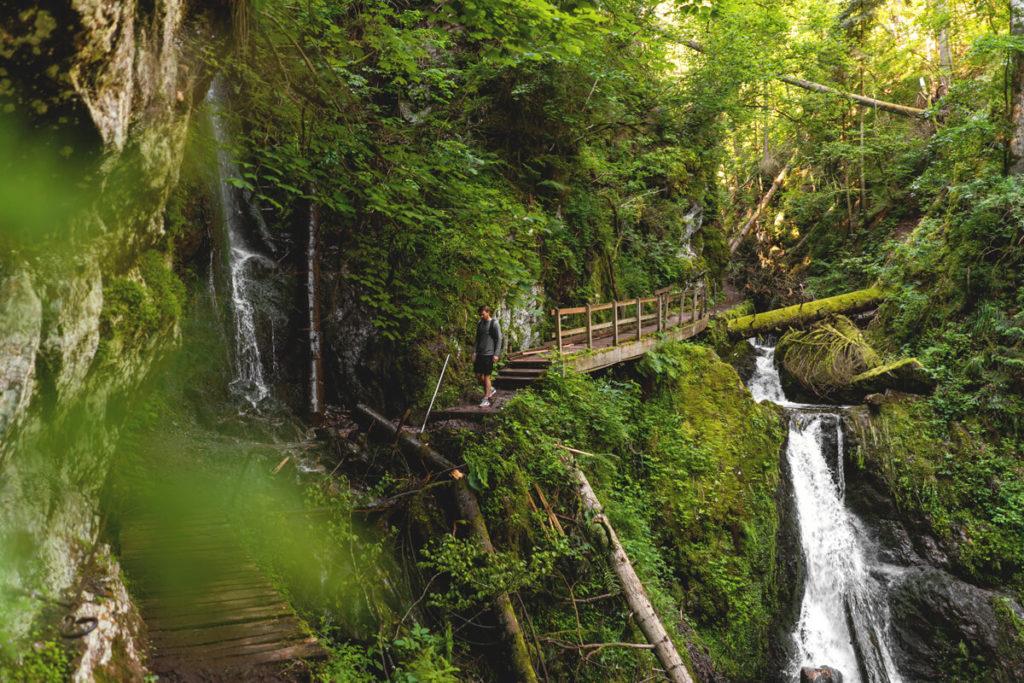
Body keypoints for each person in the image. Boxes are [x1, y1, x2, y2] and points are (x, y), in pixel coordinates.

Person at [473, 306, 501, 406]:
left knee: (486, 376)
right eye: (480, 314)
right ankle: (491, 389)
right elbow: (477, 338)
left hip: (489, 354)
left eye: (483, 314)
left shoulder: (494, 323)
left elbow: (499, 339)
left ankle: (486, 398)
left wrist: (496, 354)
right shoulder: (480, 323)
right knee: (478, 375)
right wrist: (474, 352)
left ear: (488, 312)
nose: (481, 316)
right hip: (480, 353)